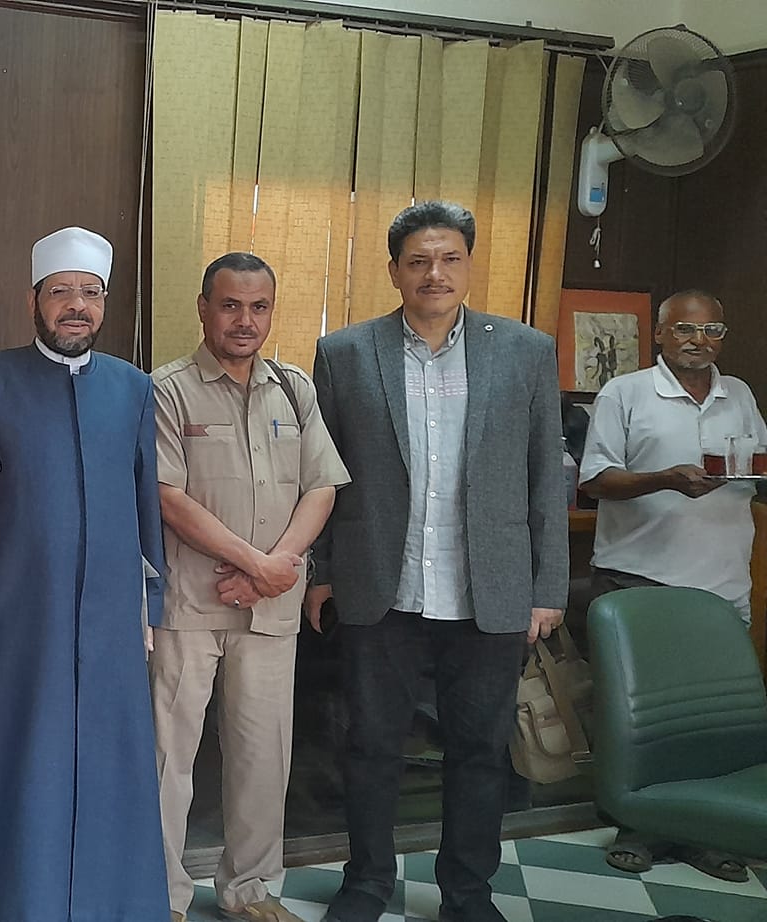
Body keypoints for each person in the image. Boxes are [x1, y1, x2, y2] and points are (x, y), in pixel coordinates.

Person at [307, 201, 568, 922]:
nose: (435, 273)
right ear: (394, 270)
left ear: (469, 265)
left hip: (491, 589)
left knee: (480, 751)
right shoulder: (345, 353)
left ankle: (467, 893)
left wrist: (547, 585)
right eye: (418, 260)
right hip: (379, 586)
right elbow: (321, 475)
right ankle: (366, 883)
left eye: (450, 258)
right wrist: (321, 572)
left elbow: (546, 476)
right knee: (370, 746)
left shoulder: (525, 351)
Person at [0, 225, 166, 921]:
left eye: (90, 293)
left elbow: (146, 505)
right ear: (35, 300)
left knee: (108, 768)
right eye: (62, 292)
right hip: (12, 617)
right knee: (13, 764)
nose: (76, 306)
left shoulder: (133, 389)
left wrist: (148, 608)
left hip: (109, 622)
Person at [150, 253, 350, 922]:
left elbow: (322, 486)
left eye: (257, 307)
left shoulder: (293, 389)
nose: (244, 320)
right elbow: (167, 496)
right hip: (189, 605)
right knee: (168, 758)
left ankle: (250, 890)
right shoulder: (167, 389)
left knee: (264, 755)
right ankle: (163, 895)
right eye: (230, 305)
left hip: (272, 608)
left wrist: (277, 565)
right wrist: (255, 563)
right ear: (203, 308)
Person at [578, 289, 763, 881]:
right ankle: (634, 822)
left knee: (706, 720)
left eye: (711, 331)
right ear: (659, 333)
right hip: (641, 581)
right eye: (684, 328)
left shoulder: (740, 395)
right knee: (635, 719)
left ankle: (702, 828)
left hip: (722, 585)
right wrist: (663, 479)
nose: (697, 341)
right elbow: (595, 480)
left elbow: (754, 465)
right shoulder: (625, 392)